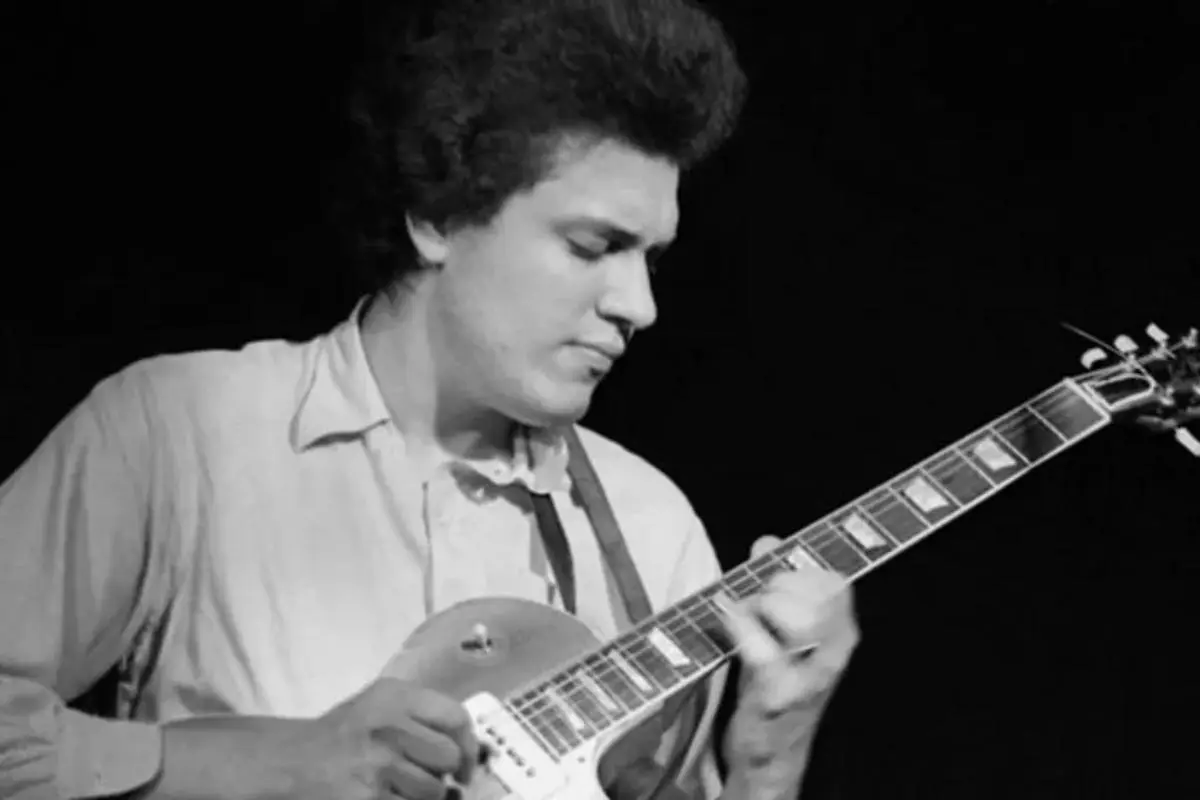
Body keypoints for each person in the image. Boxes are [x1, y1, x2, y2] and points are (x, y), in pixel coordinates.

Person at [0, 0, 859, 798]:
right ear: (440, 219)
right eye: (595, 244)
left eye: (652, 259)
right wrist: (273, 760)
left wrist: (766, 759)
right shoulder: (179, 431)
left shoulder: (654, 529)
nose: (640, 305)